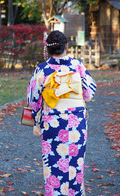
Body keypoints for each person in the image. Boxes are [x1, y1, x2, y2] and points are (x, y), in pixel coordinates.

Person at [26, 30, 96, 196]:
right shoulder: (77, 66)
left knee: (53, 164)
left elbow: (32, 99)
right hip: (77, 121)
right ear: (66, 46)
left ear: (48, 49)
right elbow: (89, 93)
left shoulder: (42, 69)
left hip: (52, 122)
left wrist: (34, 121)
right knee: (75, 165)